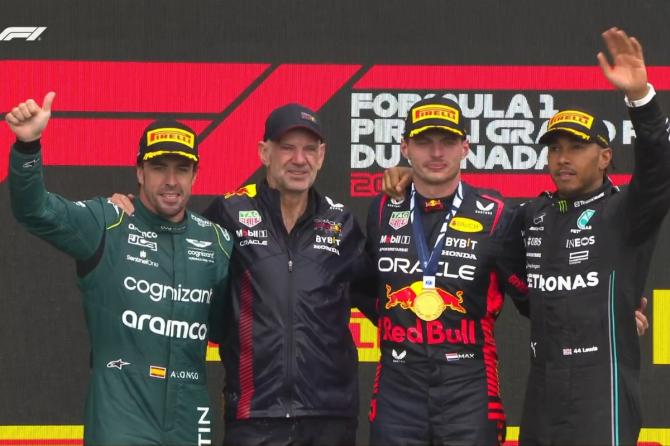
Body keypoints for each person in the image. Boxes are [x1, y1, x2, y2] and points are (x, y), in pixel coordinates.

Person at [112, 103, 370, 446]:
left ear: (321, 156)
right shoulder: (230, 214)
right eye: (287, 148)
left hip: (329, 418)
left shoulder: (341, 223)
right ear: (264, 152)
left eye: (309, 149)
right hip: (255, 415)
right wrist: (130, 212)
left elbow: (388, 296)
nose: (299, 159)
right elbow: (173, 240)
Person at [6, 92, 233, 445]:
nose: (171, 181)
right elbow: (35, 211)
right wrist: (27, 146)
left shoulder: (217, 242)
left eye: (182, 169)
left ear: (196, 175)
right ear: (140, 171)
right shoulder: (107, 223)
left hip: (190, 418)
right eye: (159, 168)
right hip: (121, 418)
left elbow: (232, 327)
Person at [507, 27, 670, 445]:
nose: (562, 158)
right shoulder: (531, 214)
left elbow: (658, 169)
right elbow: (524, 289)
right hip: (543, 385)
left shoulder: (625, 210)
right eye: (555, 148)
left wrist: (641, 99)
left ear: (605, 156)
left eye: (576, 148)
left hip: (603, 387)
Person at [363, 95, 529, 445]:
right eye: (424, 142)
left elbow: (536, 295)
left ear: (465, 147)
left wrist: (613, 307)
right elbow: (361, 287)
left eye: (448, 142)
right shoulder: (381, 211)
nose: (436, 153)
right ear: (405, 147)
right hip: (398, 388)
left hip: (468, 387)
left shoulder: (497, 214)